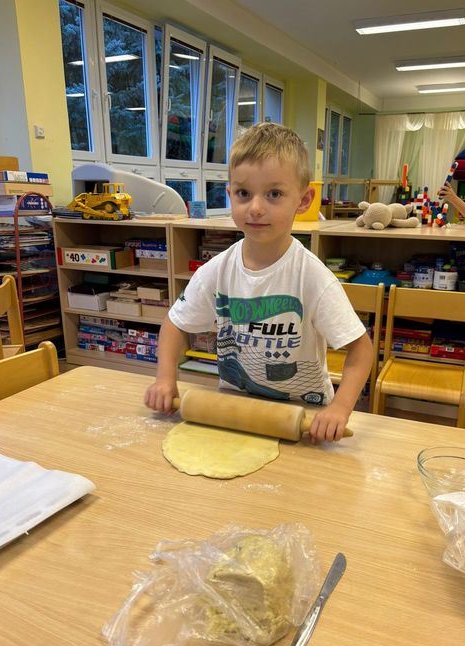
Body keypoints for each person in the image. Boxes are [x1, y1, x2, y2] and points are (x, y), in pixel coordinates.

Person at [145, 122, 373, 442]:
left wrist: (339, 408)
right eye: (243, 193)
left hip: (304, 418)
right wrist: (165, 378)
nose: (255, 208)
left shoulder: (312, 277)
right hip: (236, 411)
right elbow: (175, 325)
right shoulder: (217, 270)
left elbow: (361, 350)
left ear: (304, 200)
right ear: (230, 195)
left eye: (274, 194)